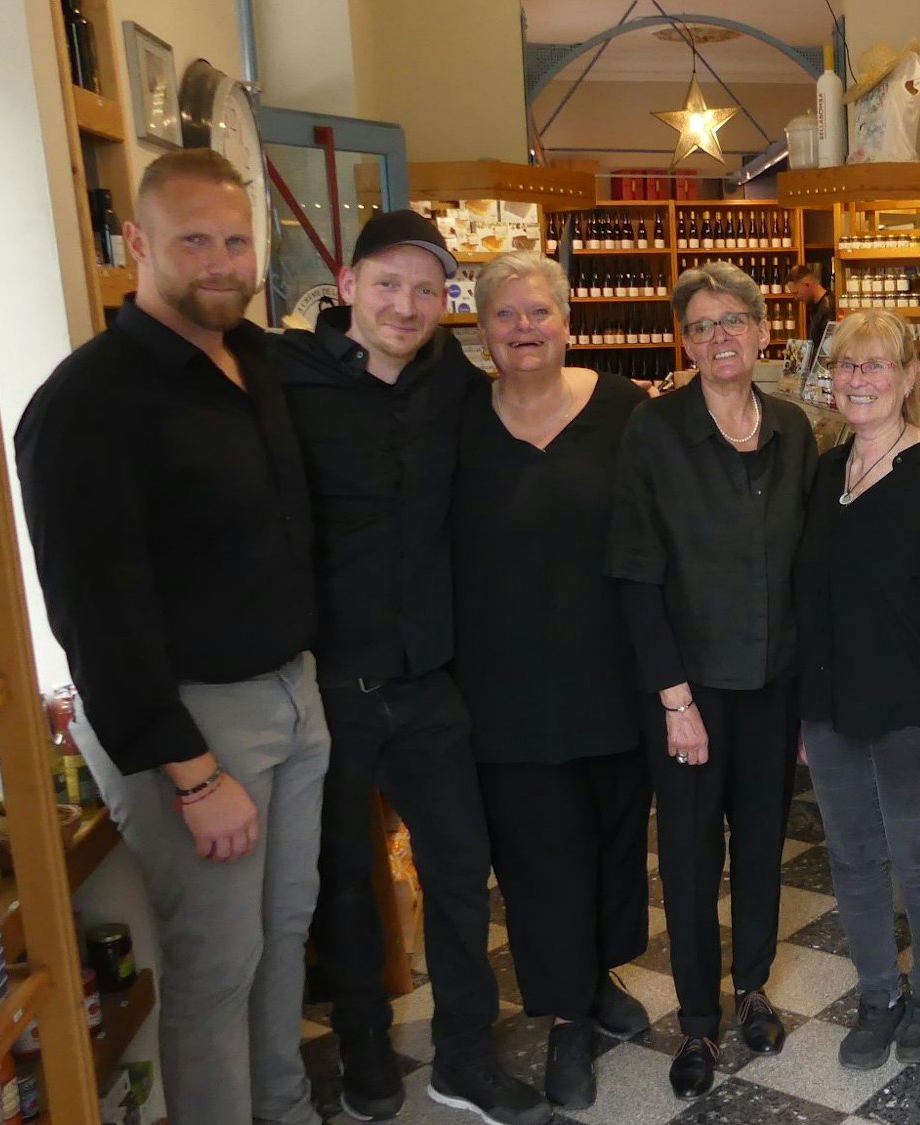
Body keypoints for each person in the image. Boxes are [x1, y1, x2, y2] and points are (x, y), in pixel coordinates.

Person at [14, 148, 329, 1125]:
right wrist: (189, 771)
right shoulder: (88, 404)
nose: (221, 261)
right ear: (139, 243)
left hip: (293, 690)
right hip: (198, 723)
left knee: (284, 937)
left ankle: (281, 1108)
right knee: (214, 968)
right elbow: (93, 612)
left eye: (236, 241)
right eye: (194, 240)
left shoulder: (257, 364)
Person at [270, 212, 550, 1125]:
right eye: (387, 284)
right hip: (329, 687)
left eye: (427, 290)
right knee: (345, 884)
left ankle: (463, 1054)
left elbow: (537, 404)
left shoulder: (455, 387)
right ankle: (363, 1053)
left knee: (462, 875)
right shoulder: (284, 380)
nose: (406, 304)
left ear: (446, 304)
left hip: (431, 683)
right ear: (347, 286)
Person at [607, 261, 817, 1099]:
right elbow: (635, 575)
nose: (719, 337)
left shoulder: (796, 430)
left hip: (775, 682)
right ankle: (698, 1020)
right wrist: (673, 700)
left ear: (765, 332)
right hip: (691, 692)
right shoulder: (654, 432)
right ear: (684, 342)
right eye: (701, 326)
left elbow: (809, 567)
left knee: (763, 843)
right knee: (692, 857)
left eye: (733, 321)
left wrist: (811, 692)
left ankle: (754, 987)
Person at [452, 251, 652, 1111]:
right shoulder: (459, 419)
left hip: (613, 678)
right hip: (505, 689)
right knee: (539, 858)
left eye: (539, 312)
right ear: (483, 329)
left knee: (613, 842)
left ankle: (600, 976)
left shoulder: (625, 412)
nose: (524, 329)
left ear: (567, 320)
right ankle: (567, 1018)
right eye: (506, 315)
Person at [794, 309, 920, 1069]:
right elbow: (808, 599)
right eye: (847, 365)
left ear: (910, 377)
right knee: (852, 857)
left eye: (876, 366)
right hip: (833, 710)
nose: (859, 380)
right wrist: (802, 717)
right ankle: (878, 993)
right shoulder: (825, 472)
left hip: (911, 716)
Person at [786, 263, 837, 351]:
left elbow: (827, 350)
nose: (795, 298)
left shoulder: (828, 309)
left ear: (807, 285)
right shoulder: (817, 306)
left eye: (796, 293)